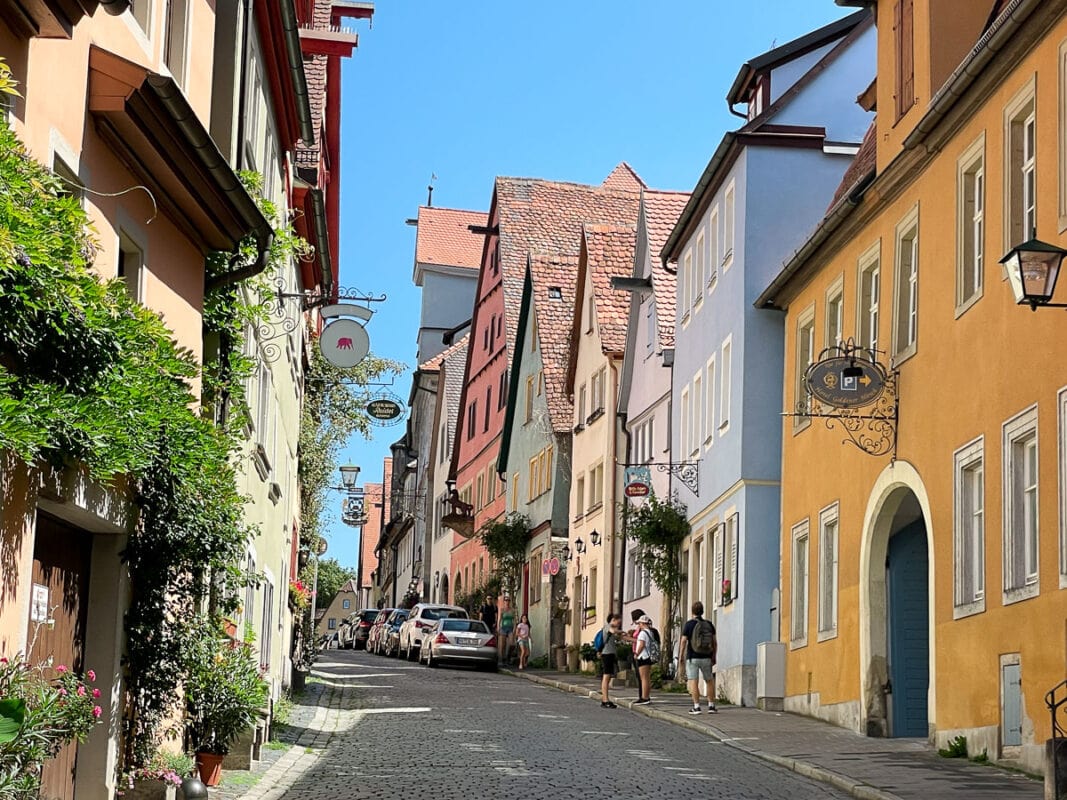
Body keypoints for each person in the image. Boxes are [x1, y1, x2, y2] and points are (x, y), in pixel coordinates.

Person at [679, 601, 717, 714]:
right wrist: (714, 656)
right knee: (709, 681)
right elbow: (714, 642)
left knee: (693, 682)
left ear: (692, 612)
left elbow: (683, 641)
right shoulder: (709, 624)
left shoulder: (689, 624)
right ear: (703, 611)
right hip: (706, 657)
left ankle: (696, 707)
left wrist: (681, 656)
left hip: (693, 657)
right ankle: (711, 706)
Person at [598, 613, 622, 709]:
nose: (619, 624)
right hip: (607, 654)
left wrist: (634, 640)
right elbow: (614, 631)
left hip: (609, 654)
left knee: (607, 676)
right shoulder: (607, 627)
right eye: (618, 622)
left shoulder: (610, 629)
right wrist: (621, 631)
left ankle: (605, 699)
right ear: (613, 620)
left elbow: (619, 636)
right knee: (606, 676)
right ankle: (605, 700)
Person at [632, 615, 656, 704]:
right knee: (646, 678)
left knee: (644, 678)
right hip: (648, 656)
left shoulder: (643, 633)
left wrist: (636, 653)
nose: (639, 625)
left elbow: (641, 644)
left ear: (642, 623)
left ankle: (645, 697)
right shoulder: (650, 632)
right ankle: (646, 696)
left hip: (643, 656)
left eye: (639, 623)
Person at [499, 597, 516, 665]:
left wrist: (515, 627)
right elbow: (500, 619)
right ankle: (503, 659)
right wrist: (498, 627)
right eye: (506, 600)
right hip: (503, 628)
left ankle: (508, 656)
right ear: (504, 602)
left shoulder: (512, 610)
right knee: (503, 645)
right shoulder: (502, 610)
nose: (507, 602)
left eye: (508, 600)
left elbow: (514, 620)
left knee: (512, 644)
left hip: (510, 628)